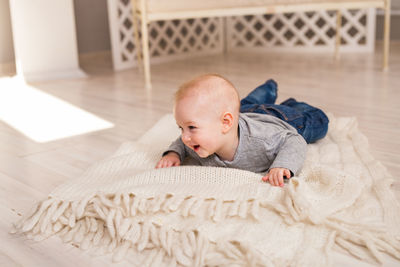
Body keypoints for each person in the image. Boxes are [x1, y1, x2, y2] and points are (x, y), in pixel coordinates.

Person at [155, 74, 329, 187]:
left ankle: (290, 104)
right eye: (181, 128)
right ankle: (265, 91)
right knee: (244, 104)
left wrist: (283, 164)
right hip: (244, 113)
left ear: (225, 123)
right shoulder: (195, 142)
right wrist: (173, 154)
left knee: (318, 123)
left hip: (278, 117)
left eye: (191, 127)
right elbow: (182, 144)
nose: (184, 137)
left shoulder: (262, 140)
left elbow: (294, 140)